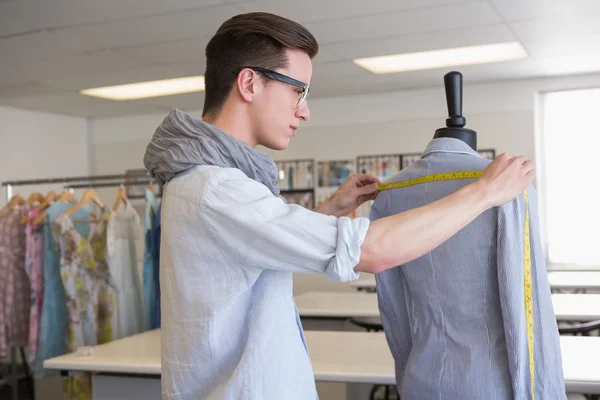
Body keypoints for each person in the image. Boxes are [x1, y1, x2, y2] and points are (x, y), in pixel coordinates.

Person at [143, 12, 535, 400]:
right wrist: (484, 193)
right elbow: (372, 252)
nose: (305, 110)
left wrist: (329, 209)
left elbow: (256, 246)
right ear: (249, 83)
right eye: (298, 90)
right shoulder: (215, 189)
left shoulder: (214, 183)